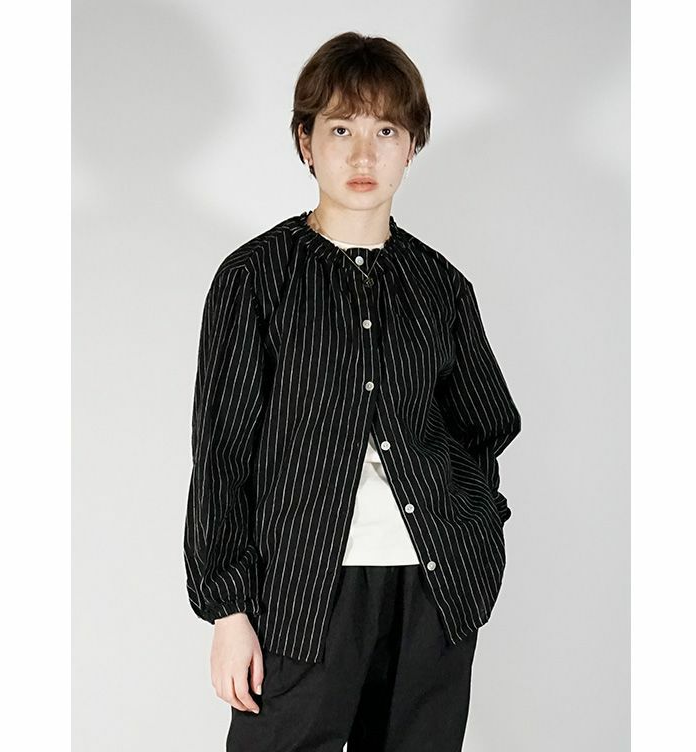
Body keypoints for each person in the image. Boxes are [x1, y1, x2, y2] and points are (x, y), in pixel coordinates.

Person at [183, 31, 522, 752]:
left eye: (386, 131)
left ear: (412, 146)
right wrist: (228, 609)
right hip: (302, 592)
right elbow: (221, 453)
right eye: (341, 129)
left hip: (432, 590)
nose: (363, 155)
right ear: (305, 141)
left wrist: (475, 527)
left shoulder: (440, 286)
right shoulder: (255, 279)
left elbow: (484, 425)